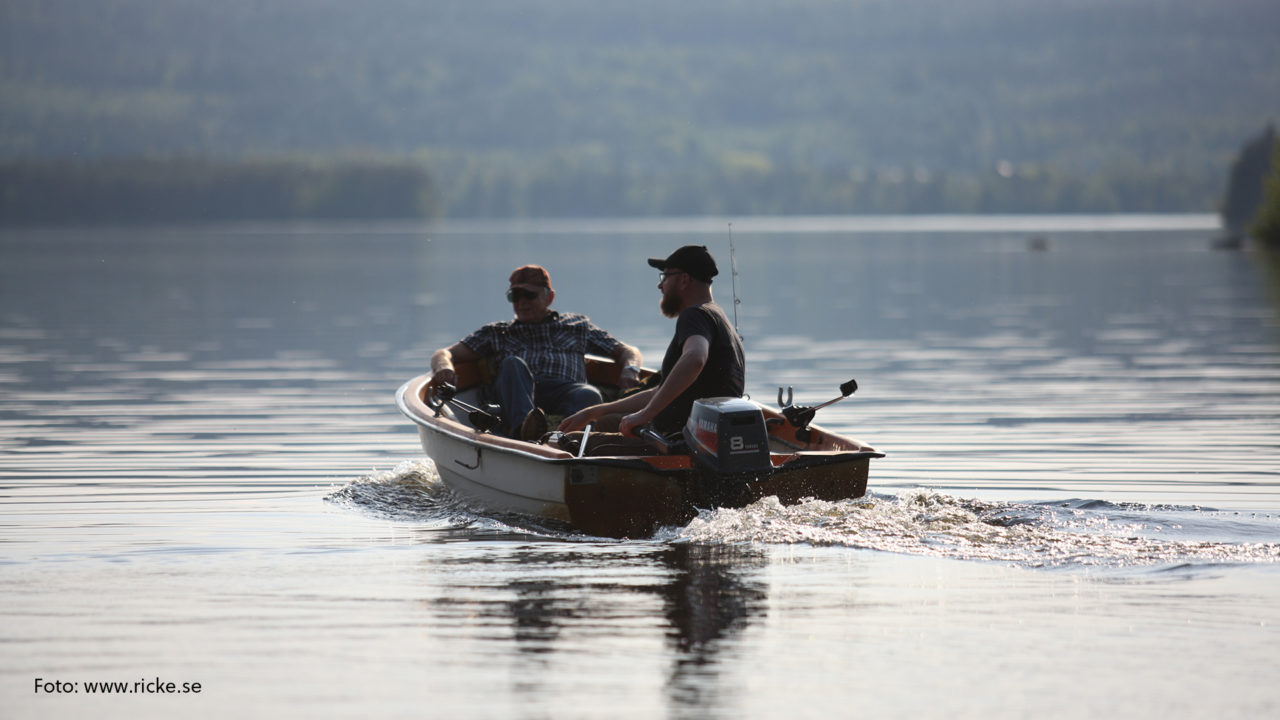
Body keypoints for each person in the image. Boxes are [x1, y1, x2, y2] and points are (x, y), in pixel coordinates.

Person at [429, 265, 643, 440]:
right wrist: (444, 367)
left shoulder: (577, 325)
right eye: (515, 295)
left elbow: (626, 351)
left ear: (549, 297)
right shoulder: (498, 332)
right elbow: (444, 353)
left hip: (565, 390)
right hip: (518, 393)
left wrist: (630, 368)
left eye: (529, 295)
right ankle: (525, 431)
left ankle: (574, 442)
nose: (521, 302)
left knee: (588, 393)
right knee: (513, 363)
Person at [559, 245, 745, 439]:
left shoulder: (694, 315)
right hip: (705, 436)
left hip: (677, 440)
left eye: (665, 276)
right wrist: (595, 410)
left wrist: (644, 415)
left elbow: (695, 358)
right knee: (607, 417)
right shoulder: (719, 318)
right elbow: (662, 391)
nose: (660, 285)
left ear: (684, 280)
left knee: (571, 440)